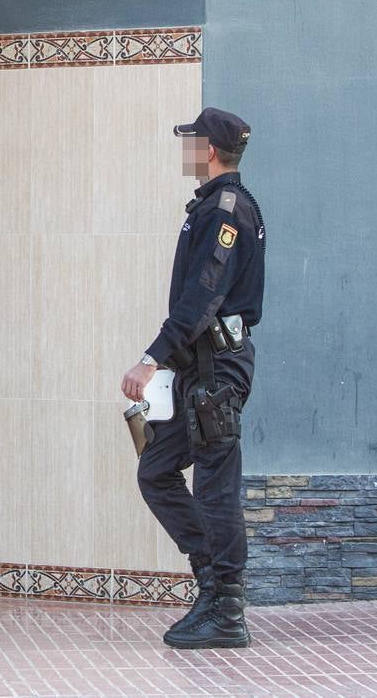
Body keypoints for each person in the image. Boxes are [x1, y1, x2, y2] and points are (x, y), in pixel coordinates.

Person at [121, 107, 266, 650]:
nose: (186, 149)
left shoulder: (225, 210)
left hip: (217, 370)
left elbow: (202, 295)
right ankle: (211, 584)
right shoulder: (217, 205)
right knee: (156, 470)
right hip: (200, 369)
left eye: (190, 141)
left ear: (208, 150)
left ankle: (227, 608)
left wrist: (150, 358)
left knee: (214, 485)